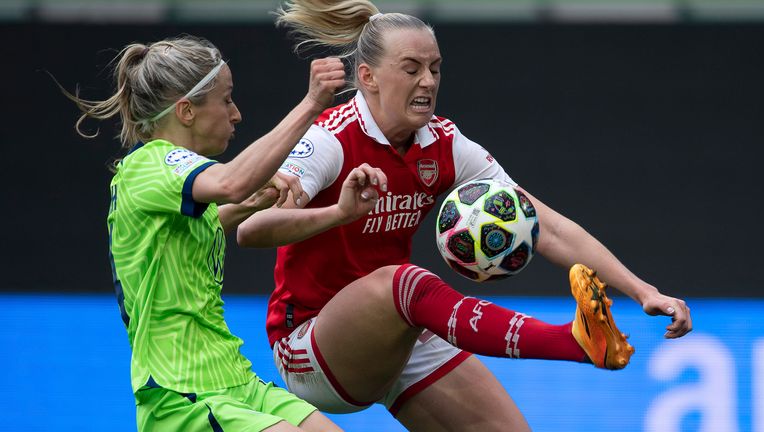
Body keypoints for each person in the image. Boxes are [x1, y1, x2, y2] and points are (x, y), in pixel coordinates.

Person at [237, 3, 693, 431]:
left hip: (398, 331)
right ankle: (572, 342)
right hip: (311, 346)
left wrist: (641, 290)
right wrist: (338, 213)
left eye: (435, 68)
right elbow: (251, 230)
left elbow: (544, 224)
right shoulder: (330, 140)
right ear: (368, 77)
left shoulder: (443, 143)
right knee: (403, 283)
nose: (428, 82)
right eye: (411, 69)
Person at [61, 35, 348, 431]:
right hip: (181, 392)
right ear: (186, 111)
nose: (237, 114)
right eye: (226, 99)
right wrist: (312, 104)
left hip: (235, 380)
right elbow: (232, 182)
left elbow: (217, 214)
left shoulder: (173, 184)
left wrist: (278, 202)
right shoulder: (151, 164)